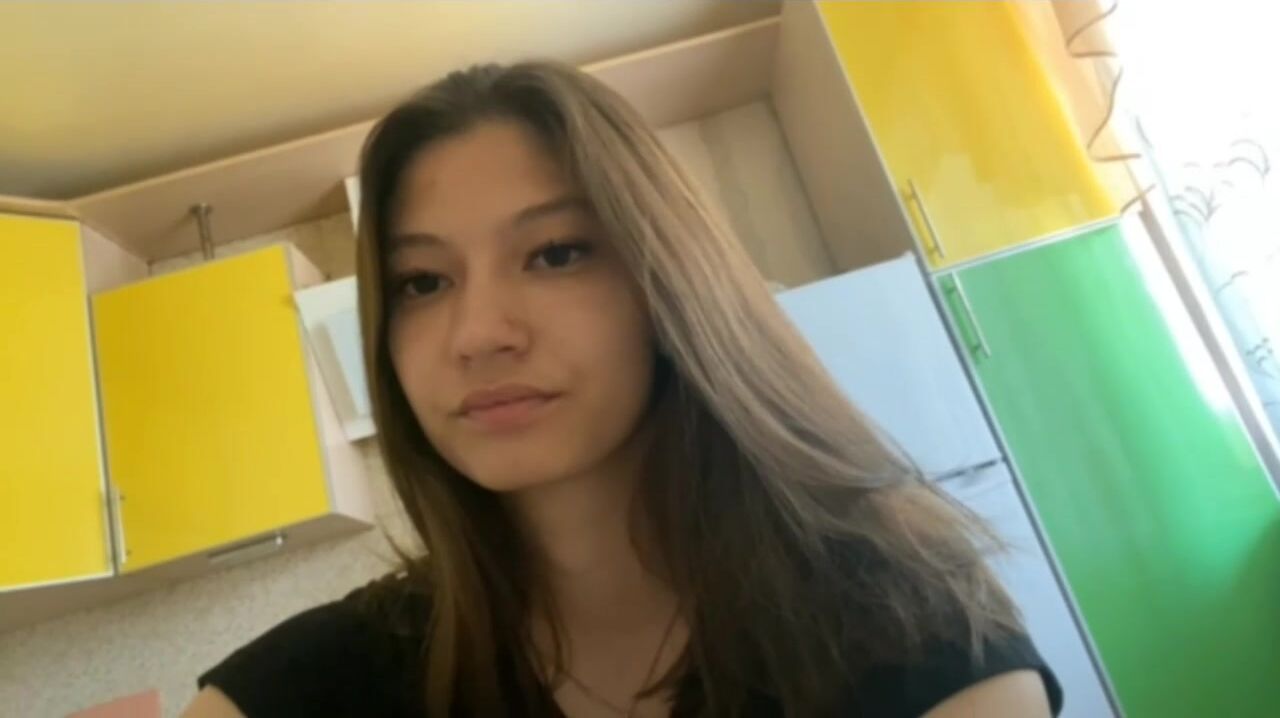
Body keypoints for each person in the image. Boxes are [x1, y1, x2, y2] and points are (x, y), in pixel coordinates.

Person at [182, 61, 1061, 718]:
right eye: (422, 282)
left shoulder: (914, 640)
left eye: (555, 253)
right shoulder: (312, 686)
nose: (478, 333)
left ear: (670, 283)